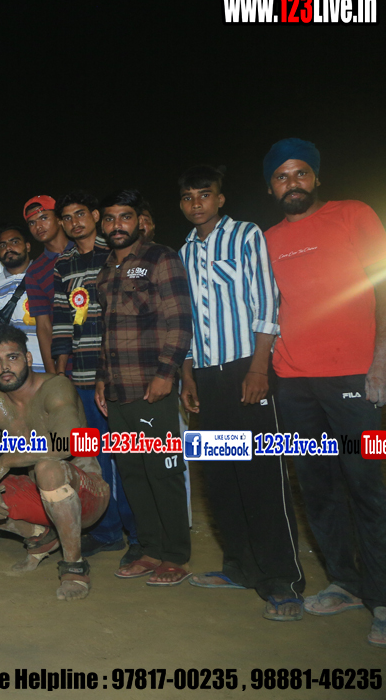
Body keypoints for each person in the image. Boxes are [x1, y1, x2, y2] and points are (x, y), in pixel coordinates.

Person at [261, 138, 386, 647]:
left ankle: (382, 596)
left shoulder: (353, 214)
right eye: (281, 176)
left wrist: (382, 358)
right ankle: (345, 583)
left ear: (316, 177)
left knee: (367, 485)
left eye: (300, 173)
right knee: (316, 487)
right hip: (293, 382)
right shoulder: (268, 239)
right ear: (270, 187)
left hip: (355, 376)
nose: (292, 183)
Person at [174, 163, 304, 620]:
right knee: (220, 477)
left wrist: (258, 368)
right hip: (205, 377)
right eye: (188, 197)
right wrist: (188, 375)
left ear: (220, 199)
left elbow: (267, 301)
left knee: (261, 476)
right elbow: (187, 320)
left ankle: (282, 580)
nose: (196, 204)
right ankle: (239, 567)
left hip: (246, 370)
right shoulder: (184, 251)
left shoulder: (246, 235)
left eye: (204, 195)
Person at [0, 325, 110, 600]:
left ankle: (74, 567)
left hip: (85, 492)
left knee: (47, 468)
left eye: (12, 357)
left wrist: (7, 459)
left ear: (28, 358)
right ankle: (39, 535)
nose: (4, 367)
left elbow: (68, 442)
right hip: (39, 495)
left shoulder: (55, 387)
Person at [95, 189, 194, 587]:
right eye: (110, 218)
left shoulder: (161, 258)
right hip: (117, 391)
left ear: (139, 221)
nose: (116, 225)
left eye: (125, 217)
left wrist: (166, 373)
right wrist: (102, 378)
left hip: (152, 389)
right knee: (133, 473)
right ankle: (150, 549)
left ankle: (175, 555)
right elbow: (107, 332)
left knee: (163, 471)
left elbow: (180, 321)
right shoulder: (106, 270)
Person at [52, 191, 139, 564]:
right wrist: (60, 376)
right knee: (93, 459)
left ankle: (139, 535)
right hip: (81, 379)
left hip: (119, 376)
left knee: (127, 457)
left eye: (80, 214)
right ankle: (107, 532)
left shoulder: (117, 252)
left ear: (96, 216)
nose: (74, 222)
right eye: (67, 218)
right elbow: (61, 322)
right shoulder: (64, 264)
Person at [0, 225, 43, 388]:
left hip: (45, 369)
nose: (8, 248)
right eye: (3, 245)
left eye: (14, 242)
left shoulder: (44, 275)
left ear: (27, 246)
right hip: (8, 375)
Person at [23, 195, 73, 373]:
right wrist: (53, 375)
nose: (38, 226)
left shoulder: (85, 249)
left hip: (103, 353)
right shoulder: (34, 271)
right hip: (67, 365)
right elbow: (43, 327)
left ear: (59, 218)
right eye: (32, 223)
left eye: (44, 218)